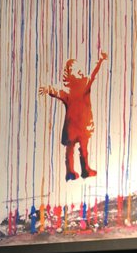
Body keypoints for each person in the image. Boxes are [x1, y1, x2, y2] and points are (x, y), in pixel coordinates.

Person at [39, 52, 108, 181]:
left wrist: (47, 89)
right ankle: (80, 170)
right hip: (82, 125)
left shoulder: (71, 89)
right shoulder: (83, 84)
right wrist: (100, 60)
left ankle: (74, 171)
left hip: (75, 126)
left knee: (74, 149)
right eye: (76, 70)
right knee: (78, 149)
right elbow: (93, 73)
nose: (79, 72)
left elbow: (56, 91)